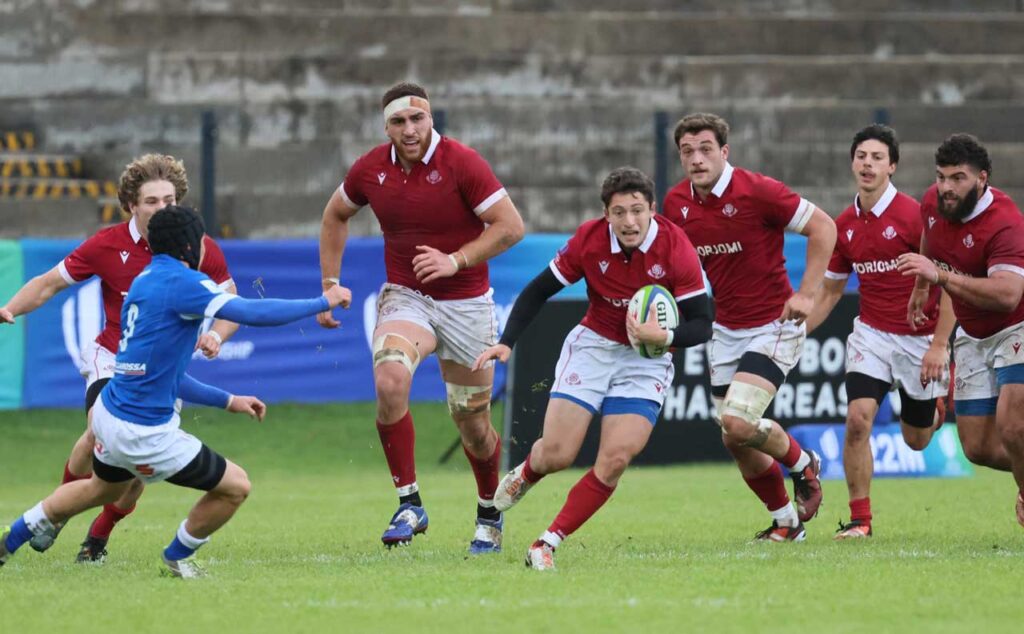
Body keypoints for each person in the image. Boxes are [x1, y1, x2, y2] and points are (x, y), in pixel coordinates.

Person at [0, 206, 352, 577]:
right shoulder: (183, 284)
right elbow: (251, 311)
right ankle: (176, 556)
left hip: (110, 413)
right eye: (201, 240)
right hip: (143, 432)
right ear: (190, 245)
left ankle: (11, 537)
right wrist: (322, 301)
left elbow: (165, 374)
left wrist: (228, 400)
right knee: (235, 487)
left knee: (99, 489)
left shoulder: (145, 279)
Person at [0, 154, 239, 563]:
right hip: (111, 356)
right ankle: (54, 517)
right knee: (99, 433)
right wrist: (10, 309)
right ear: (131, 204)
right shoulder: (108, 244)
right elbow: (48, 283)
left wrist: (216, 334)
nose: (162, 209)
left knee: (131, 470)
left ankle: (98, 537)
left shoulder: (195, 244)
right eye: (151, 201)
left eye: (169, 200)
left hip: (160, 372)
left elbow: (230, 297)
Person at [318, 82, 525, 552]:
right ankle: (409, 502)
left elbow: (511, 227)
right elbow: (335, 215)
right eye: (398, 122)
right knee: (390, 378)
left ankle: (489, 512)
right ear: (385, 126)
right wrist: (330, 284)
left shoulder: (462, 163)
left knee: (472, 424)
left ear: (432, 119)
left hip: (468, 304)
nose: (409, 130)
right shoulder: (371, 169)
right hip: (406, 297)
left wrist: (456, 260)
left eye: (418, 119)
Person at [475, 167, 711, 570]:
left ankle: (546, 543)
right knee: (557, 454)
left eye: (638, 210)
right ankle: (530, 471)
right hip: (594, 347)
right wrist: (506, 341)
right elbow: (538, 291)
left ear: (653, 209)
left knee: (615, 458)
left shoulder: (675, 246)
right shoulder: (588, 240)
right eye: (619, 212)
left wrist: (663, 336)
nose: (629, 221)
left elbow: (702, 323)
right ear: (606, 214)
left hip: (647, 360)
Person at [661, 113, 837, 542]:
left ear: (724, 151)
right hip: (725, 330)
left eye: (706, 149)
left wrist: (807, 294)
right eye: (687, 152)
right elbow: (673, 268)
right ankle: (786, 523)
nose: (697, 159)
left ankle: (803, 464)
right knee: (733, 439)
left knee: (739, 423)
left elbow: (824, 227)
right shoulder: (675, 204)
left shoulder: (758, 191)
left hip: (774, 325)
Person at [805, 125, 954, 539]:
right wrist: (797, 335)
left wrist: (940, 343)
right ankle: (860, 520)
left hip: (918, 339)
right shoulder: (844, 224)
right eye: (861, 156)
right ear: (853, 163)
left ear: (892, 166)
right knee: (857, 420)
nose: (867, 164)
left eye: (876, 157)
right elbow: (831, 291)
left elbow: (949, 282)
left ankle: (935, 409)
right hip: (870, 334)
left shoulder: (915, 216)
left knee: (918, 441)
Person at [897, 134, 1024, 528]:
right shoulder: (934, 204)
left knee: (1013, 425)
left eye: (958, 178)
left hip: (1015, 326)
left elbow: (1007, 294)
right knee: (978, 446)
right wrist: (922, 287)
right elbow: (929, 237)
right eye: (941, 177)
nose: (947, 188)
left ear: (982, 178)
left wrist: (941, 276)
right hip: (972, 331)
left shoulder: (1005, 223)